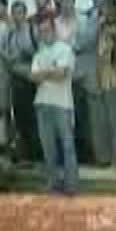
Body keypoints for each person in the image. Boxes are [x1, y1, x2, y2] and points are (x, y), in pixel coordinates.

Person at [31, 15, 78, 195]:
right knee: (48, 149)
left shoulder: (65, 49)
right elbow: (34, 77)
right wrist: (52, 70)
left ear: (54, 30)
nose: (45, 34)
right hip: (42, 103)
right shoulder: (38, 53)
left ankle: (71, 186)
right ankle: (53, 184)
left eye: (47, 30)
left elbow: (61, 75)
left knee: (67, 147)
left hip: (62, 104)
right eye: (41, 31)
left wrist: (44, 73)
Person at [1, 1, 40, 163]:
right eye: (14, 13)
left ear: (25, 14)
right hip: (16, 81)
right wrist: (10, 58)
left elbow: (40, 52)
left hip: (33, 80)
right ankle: (26, 155)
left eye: (20, 13)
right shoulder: (9, 34)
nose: (17, 16)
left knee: (34, 119)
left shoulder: (32, 30)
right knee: (20, 119)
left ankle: (38, 155)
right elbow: (4, 54)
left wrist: (25, 54)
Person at [75, 0, 108, 165]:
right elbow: (83, 42)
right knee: (97, 119)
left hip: (115, 72)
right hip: (94, 74)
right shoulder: (88, 17)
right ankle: (102, 156)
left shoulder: (115, 14)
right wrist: (97, 24)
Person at [96, 0, 116, 173]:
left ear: (115, 9)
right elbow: (99, 56)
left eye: (108, 7)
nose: (105, 11)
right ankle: (112, 157)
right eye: (104, 8)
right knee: (107, 121)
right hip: (104, 79)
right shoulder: (101, 27)